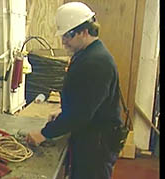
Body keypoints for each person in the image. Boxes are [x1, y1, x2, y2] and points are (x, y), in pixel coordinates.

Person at [26, 2, 124, 179]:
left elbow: (80, 114)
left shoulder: (95, 62)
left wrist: (43, 134)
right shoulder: (88, 54)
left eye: (68, 35)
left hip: (97, 145)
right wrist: (65, 111)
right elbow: (87, 100)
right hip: (92, 137)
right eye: (63, 35)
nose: (63, 41)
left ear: (84, 31)